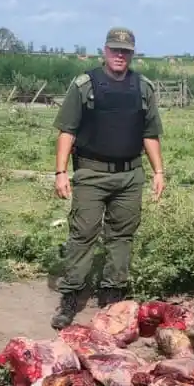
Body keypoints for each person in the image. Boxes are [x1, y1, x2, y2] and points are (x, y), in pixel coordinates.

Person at [49, 26, 165, 330]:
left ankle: (112, 295)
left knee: (121, 237)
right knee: (82, 234)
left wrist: (158, 172)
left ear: (132, 54)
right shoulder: (85, 85)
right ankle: (71, 296)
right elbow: (67, 131)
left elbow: (150, 134)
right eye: (115, 49)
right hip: (91, 172)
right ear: (105, 50)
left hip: (130, 176)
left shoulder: (143, 88)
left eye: (125, 51)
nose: (120, 55)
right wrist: (61, 172)